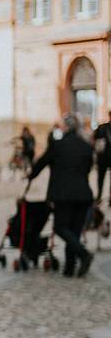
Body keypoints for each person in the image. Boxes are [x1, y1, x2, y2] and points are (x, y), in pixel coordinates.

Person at [30, 114, 95, 279]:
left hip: (63, 195)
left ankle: (83, 254)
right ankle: (69, 267)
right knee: (74, 231)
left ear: (65, 127)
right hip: (83, 195)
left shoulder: (57, 146)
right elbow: (87, 169)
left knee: (60, 227)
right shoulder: (87, 147)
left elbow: (41, 162)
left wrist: (31, 175)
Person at [94, 113, 111, 203]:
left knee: (101, 177)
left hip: (102, 157)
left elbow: (95, 140)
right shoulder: (101, 127)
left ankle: (99, 196)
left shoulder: (102, 127)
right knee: (101, 177)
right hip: (103, 157)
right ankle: (105, 196)